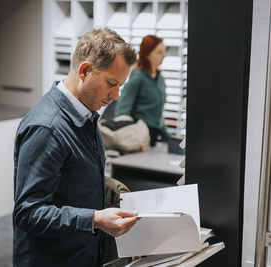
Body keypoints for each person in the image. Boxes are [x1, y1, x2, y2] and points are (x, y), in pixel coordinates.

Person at [12, 28, 139, 267]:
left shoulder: (87, 115)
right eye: (112, 84)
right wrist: (95, 219)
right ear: (85, 71)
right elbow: (28, 213)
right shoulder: (47, 127)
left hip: (82, 253)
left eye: (120, 85)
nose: (116, 95)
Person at [115, 35, 170, 147]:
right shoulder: (138, 77)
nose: (164, 55)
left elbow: (157, 114)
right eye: (159, 52)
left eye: (164, 52)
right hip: (138, 137)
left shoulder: (160, 78)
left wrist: (169, 139)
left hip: (154, 136)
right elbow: (122, 112)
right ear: (148, 54)